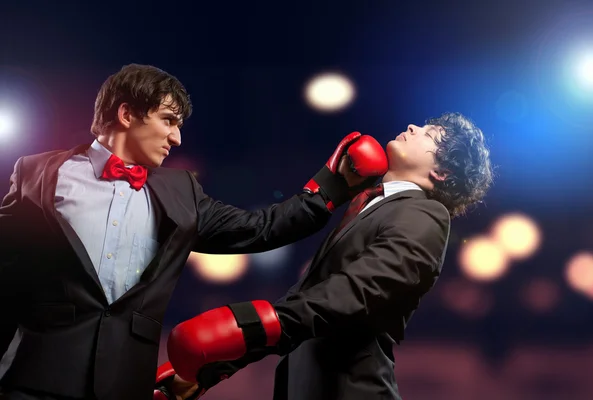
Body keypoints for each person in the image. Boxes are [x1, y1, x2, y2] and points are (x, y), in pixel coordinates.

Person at [0, 63, 389, 400]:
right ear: (126, 114)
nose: (177, 137)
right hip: (30, 379)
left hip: (124, 386)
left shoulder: (182, 190)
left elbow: (261, 228)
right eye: (168, 120)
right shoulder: (37, 173)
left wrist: (329, 188)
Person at [155, 112, 494, 400]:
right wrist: (210, 369)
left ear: (442, 173)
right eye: (421, 125)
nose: (412, 129)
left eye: (429, 135)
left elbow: (357, 292)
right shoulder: (371, 204)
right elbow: (310, 302)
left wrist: (253, 325)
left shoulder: (425, 213)